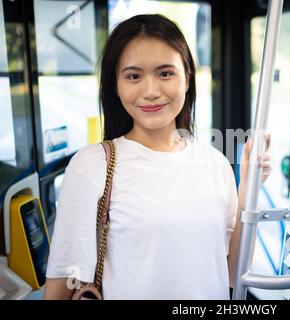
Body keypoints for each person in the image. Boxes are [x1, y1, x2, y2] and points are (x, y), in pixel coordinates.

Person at [43, 14, 272, 300]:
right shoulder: (92, 166)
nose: (151, 92)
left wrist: (249, 188)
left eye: (165, 73)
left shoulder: (215, 164)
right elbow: (59, 290)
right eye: (134, 76)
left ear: (187, 77)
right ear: (116, 85)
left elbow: (233, 271)